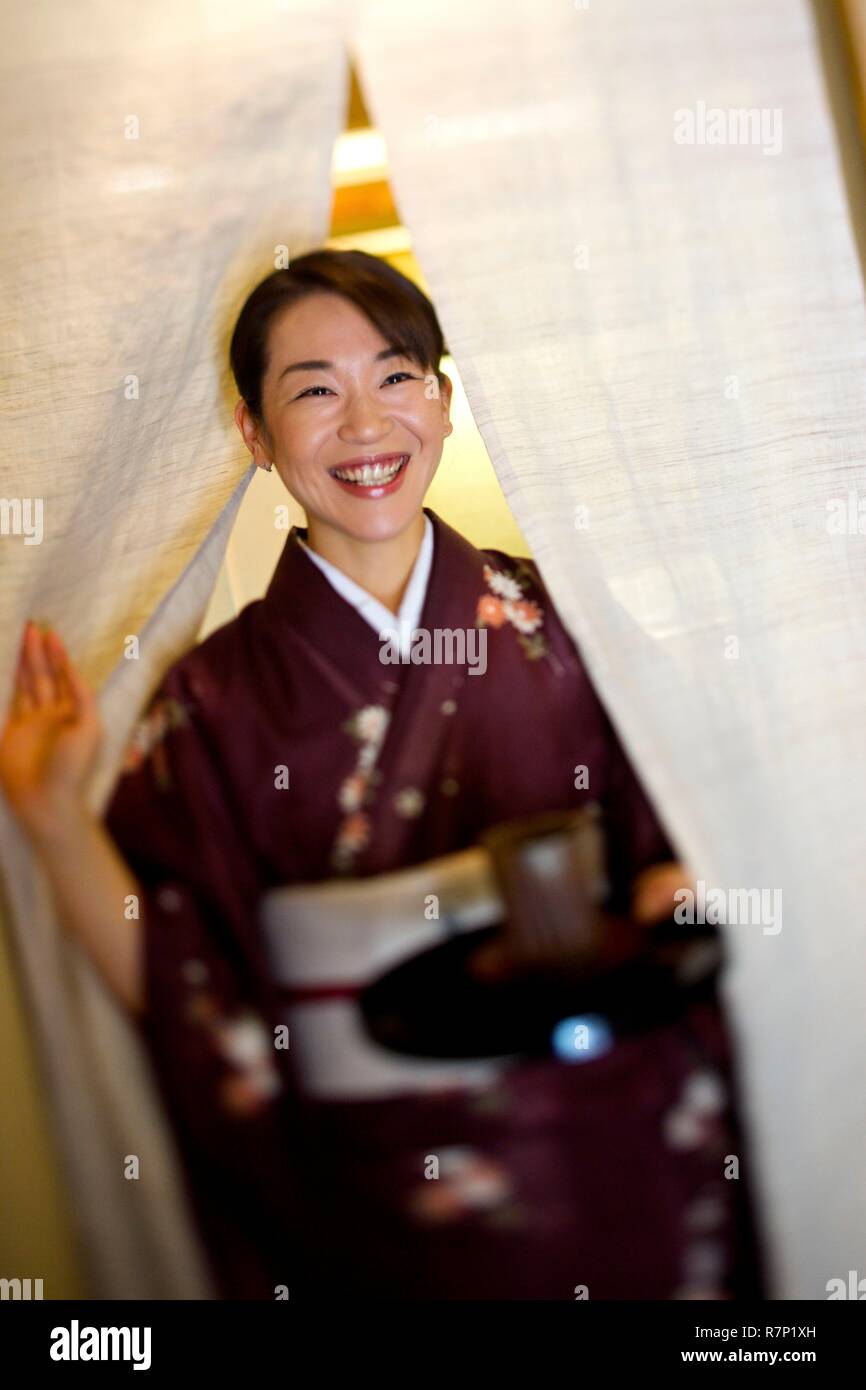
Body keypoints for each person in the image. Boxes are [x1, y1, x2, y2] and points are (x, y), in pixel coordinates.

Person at [0, 249, 762, 1299]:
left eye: (395, 377)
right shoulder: (212, 700)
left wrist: (676, 886)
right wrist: (49, 818)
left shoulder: (564, 625)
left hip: (613, 1146)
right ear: (254, 437)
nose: (365, 425)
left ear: (442, 404)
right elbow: (185, 985)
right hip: (378, 1199)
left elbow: (685, 836)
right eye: (315, 391)